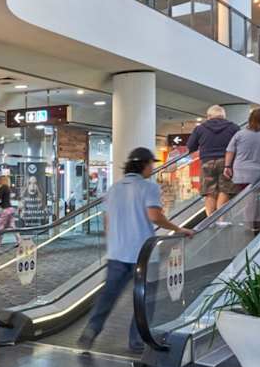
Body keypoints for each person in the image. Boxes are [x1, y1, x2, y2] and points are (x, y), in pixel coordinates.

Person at [78, 147, 194, 353]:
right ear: (143, 165)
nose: (153, 167)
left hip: (117, 253)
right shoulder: (149, 187)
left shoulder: (114, 188)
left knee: (108, 295)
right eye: (151, 164)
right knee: (144, 300)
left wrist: (113, 241)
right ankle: (137, 341)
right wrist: (178, 229)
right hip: (144, 254)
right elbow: (154, 216)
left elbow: (107, 221)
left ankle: (91, 331)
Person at [186, 105, 240, 217]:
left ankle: (210, 219)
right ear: (224, 116)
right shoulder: (233, 127)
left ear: (208, 116)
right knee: (225, 189)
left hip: (207, 162)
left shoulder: (200, 128)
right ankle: (220, 219)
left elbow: (190, 146)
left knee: (209, 192)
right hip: (227, 163)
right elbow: (240, 145)